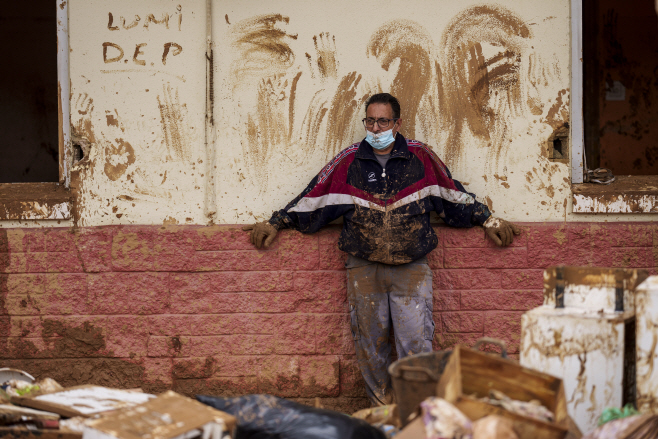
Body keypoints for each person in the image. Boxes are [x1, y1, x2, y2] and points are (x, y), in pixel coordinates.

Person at [243, 93, 520, 406]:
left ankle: (415, 416)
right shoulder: (349, 161)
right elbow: (314, 197)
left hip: (411, 268)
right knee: (371, 348)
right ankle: (382, 415)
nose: (375, 128)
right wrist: (276, 222)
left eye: (383, 121)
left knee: (415, 347)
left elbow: (452, 194)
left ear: (397, 123)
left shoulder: (421, 158)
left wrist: (488, 219)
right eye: (370, 121)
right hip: (364, 269)